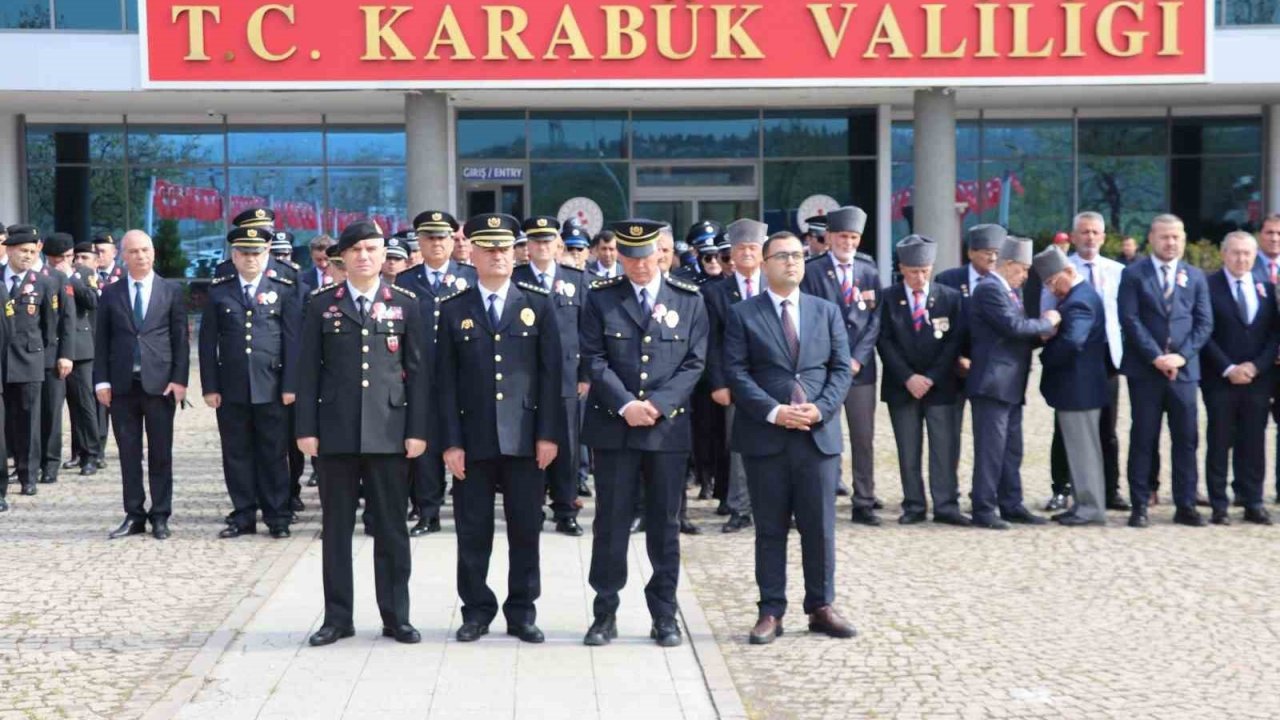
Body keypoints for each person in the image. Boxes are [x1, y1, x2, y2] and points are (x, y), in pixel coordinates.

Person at [296, 220, 428, 647]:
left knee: (392, 529)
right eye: (356, 250)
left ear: (384, 255)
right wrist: (305, 429)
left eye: (372, 249)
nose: (364, 257)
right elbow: (307, 371)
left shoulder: (406, 303)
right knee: (336, 530)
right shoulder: (320, 305)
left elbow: (419, 374)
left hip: (390, 433)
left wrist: (418, 430)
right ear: (343, 257)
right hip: (334, 434)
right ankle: (337, 618)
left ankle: (396, 617)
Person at [579, 219, 708, 648]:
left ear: (662, 254)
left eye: (645, 256)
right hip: (614, 428)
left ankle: (664, 615)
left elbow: (694, 361)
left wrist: (657, 404)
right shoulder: (600, 298)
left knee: (664, 525)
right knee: (610, 523)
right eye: (628, 256)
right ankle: (604, 612)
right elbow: (593, 358)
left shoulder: (688, 299)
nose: (637, 265)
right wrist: (626, 404)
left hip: (666, 430)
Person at [724, 230, 856, 644]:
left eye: (797, 255)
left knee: (820, 528)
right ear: (764, 265)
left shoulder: (826, 311)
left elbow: (840, 368)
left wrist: (821, 408)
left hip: (817, 437)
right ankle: (771, 610)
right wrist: (775, 411)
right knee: (770, 529)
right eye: (781, 256)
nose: (792, 263)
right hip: (767, 437)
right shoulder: (743, 314)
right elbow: (736, 372)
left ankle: (821, 606)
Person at [437, 213, 562, 644]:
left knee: (526, 528)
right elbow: (445, 384)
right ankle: (475, 610)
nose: (497, 255)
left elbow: (553, 377)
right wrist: (450, 442)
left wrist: (549, 435)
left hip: (526, 439)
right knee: (473, 530)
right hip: (473, 440)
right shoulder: (454, 309)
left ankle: (522, 610)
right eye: (488, 248)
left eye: (504, 248)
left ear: (517, 253)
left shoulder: (537, 305)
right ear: (470, 253)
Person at [200, 226, 301, 540]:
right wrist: (210, 386)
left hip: (271, 385)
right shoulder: (220, 290)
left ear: (267, 253)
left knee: (274, 453)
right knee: (236, 453)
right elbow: (207, 343)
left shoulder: (283, 287)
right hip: (232, 387)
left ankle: (278, 516)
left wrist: (290, 385)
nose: (250, 258)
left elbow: (292, 340)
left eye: (256, 252)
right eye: (244, 252)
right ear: (234, 255)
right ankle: (243, 514)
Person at [1119, 214, 1214, 528]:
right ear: (1151, 239)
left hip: (1184, 374)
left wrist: (1181, 357)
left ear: (1183, 240)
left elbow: (1204, 323)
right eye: (1164, 237)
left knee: (1186, 439)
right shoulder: (1134, 274)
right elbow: (1130, 320)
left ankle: (1185, 504)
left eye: (1176, 237)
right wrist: (1157, 357)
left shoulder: (1196, 276)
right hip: (1146, 371)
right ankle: (1140, 505)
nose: (1170, 242)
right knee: (1144, 438)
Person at [95, 230, 189, 540]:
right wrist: (101, 381)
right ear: (123, 255)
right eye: (133, 251)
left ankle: (160, 515)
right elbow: (102, 341)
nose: (141, 256)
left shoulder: (171, 291)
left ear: (153, 253)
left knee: (161, 453)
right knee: (128, 453)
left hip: (160, 384)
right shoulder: (111, 293)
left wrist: (179, 380)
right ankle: (134, 514)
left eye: (145, 250)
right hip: (122, 385)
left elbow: (180, 339)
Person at [1040, 212, 1131, 512]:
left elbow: (1126, 315)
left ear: (1103, 237)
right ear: (1074, 236)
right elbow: (1048, 314)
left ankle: (1109, 488)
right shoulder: (1059, 269)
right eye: (1084, 232)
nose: (1090, 237)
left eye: (1095, 232)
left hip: (1108, 357)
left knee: (1107, 428)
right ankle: (1062, 487)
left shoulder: (1118, 271)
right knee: (1066, 426)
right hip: (1072, 360)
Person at [967, 236, 1059, 530]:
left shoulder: (1007, 291)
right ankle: (984, 507)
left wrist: (1038, 336)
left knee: (1011, 449)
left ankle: (1011, 503)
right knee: (991, 450)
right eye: (1022, 269)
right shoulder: (990, 290)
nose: (1025, 276)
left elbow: (1014, 335)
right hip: (993, 384)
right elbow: (1013, 327)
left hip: (1010, 384)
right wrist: (1048, 322)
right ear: (1007, 265)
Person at [876, 235, 968, 526]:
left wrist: (930, 377)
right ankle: (914, 504)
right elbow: (884, 341)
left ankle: (946, 504)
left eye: (925, 271)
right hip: (901, 386)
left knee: (944, 447)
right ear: (902, 268)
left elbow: (954, 342)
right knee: (908, 448)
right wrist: (908, 377)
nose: (920, 277)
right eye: (914, 271)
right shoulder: (888, 297)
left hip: (940, 386)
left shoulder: (949, 297)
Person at [396, 210, 477, 536]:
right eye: (429, 238)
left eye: (442, 237)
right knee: (426, 449)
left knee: (465, 443)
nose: (436, 243)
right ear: (420, 242)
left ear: (452, 240)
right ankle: (428, 512)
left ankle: (466, 509)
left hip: (464, 376)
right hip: (422, 376)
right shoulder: (405, 280)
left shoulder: (470, 276)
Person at [799, 206, 882, 522]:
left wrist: (858, 358)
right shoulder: (814, 271)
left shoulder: (868, 271)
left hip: (861, 370)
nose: (848, 242)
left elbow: (875, 320)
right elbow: (810, 318)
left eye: (853, 237)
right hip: (825, 369)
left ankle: (864, 499)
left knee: (863, 437)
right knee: (824, 435)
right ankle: (822, 495)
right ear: (830, 237)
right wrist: (836, 358)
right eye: (842, 236)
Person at [512, 216, 588, 537]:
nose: (542, 246)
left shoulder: (577, 279)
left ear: (558, 243)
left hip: (568, 377)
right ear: (527, 246)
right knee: (530, 444)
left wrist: (585, 375)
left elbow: (588, 330)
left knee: (568, 446)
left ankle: (566, 508)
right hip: (525, 376)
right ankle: (532, 508)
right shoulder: (514, 279)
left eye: (548, 240)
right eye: (536, 240)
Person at [1203, 231, 1275, 525]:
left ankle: (1252, 500)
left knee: (1254, 442)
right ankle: (1219, 504)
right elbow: (1204, 332)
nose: (1241, 258)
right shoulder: (1208, 286)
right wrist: (1229, 368)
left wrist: (1256, 367)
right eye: (1235, 253)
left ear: (1254, 256)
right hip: (1220, 378)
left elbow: (1274, 334)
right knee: (1220, 441)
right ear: (1223, 254)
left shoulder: (1266, 288)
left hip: (1258, 380)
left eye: (1246, 253)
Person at [1034, 247, 1110, 526]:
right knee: (1077, 449)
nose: (1052, 289)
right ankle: (1082, 502)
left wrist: (1045, 354)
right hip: (1077, 388)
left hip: (1079, 388)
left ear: (1069, 272)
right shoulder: (1079, 296)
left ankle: (1090, 507)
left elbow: (1073, 341)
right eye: (1047, 285)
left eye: (1054, 282)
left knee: (1084, 449)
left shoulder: (1079, 302)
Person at [704, 219, 766, 533]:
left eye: (752, 247)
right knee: (739, 446)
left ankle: (778, 506)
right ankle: (740, 508)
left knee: (781, 446)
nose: (746, 253)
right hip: (736, 381)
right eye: (740, 248)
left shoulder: (776, 284)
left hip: (775, 381)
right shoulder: (717, 293)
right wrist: (718, 382)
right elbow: (712, 343)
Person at [934, 224, 1004, 480]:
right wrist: (956, 359)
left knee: (990, 437)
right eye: (987, 252)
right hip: (955, 371)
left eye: (997, 252)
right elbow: (939, 326)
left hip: (992, 373)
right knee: (949, 436)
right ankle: (948, 492)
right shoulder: (948, 280)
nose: (993, 258)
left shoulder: (1005, 281)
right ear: (971, 252)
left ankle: (987, 492)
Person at [2, 226, 57, 500]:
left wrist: (43, 361)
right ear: (9, 250)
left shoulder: (43, 283)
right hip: (2, 361)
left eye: (32, 252)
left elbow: (50, 328)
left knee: (28, 421)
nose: (27, 256)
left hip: (28, 360)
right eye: (22, 251)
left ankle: (28, 475)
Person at [35, 231, 75, 487]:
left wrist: (66, 355)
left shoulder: (58, 278)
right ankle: (29, 462)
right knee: (28, 413)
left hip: (52, 355)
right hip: (24, 356)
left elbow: (68, 320)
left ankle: (50, 463)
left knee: (51, 411)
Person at [62, 240, 101, 475]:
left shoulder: (83, 274)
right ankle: (70, 454)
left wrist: (72, 277)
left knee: (84, 402)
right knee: (61, 406)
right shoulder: (45, 273)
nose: (73, 260)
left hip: (80, 348)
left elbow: (92, 301)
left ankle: (91, 454)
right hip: (53, 346)